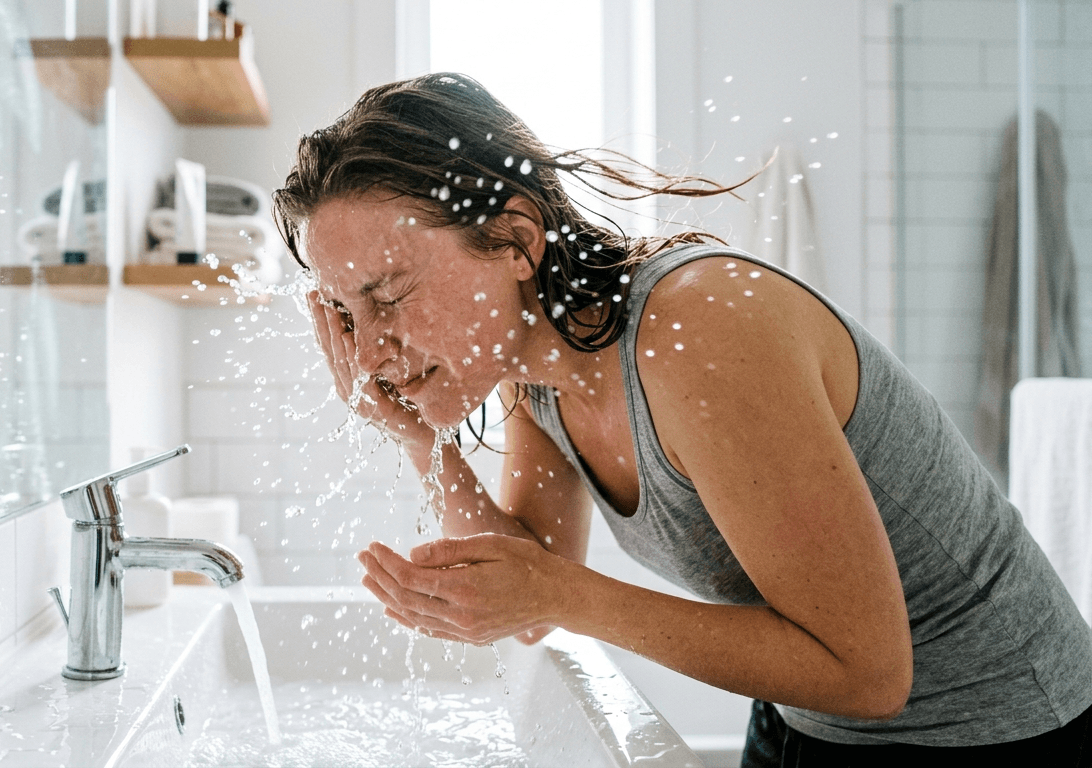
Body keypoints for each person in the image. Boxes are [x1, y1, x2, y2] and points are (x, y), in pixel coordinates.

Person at [271, 72, 1092, 765]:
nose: (370, 350)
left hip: (997, 724)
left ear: (514, 239)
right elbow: (532, 596)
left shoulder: (697, 330)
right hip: (800, 712)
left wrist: (557, 591)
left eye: (388, 296)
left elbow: (871, 672)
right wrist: (422, 441)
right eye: (345, 314)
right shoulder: (536, 369)